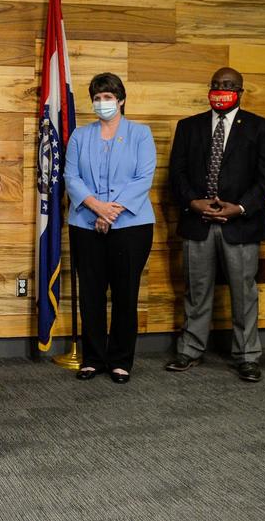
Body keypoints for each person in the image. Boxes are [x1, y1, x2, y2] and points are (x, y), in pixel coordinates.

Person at [165, 67, 265, 382]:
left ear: (241, 91)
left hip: (241, 223)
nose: (220, 89)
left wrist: (239, 207)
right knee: (196, 290)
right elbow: (177, 173)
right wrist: (192, 202)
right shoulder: (189, 127)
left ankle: (247, 356)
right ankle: (190, 350)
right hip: (197, 220)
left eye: (228, 85)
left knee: (244, 293)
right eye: (215, 85)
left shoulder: (261, 127)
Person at [64, 73, 156, 384]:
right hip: (85, 224)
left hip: (132, 225)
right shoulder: (79, 136)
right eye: (98, 97)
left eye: (108, 97)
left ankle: (120, 361)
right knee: (90, 293)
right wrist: (97, 207)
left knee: (125, 293)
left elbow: (143, 178)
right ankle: (92, 359)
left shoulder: (140, 135)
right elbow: (71, 177)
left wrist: (111, 211)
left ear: (121, 100)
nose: (102, 103)